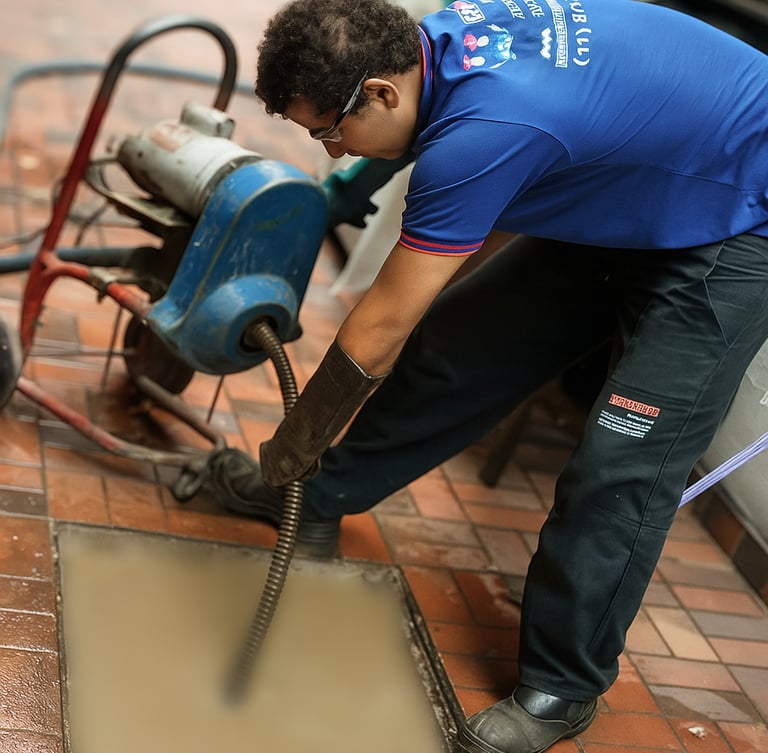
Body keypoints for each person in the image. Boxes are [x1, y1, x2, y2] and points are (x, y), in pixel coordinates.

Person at [210, 1, 768, 751]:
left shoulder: (489, 132)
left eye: (330, 132)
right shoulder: (433, 46)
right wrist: (344, 196)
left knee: (621, 463)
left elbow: (380, 327)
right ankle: (317, 499)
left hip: (743, 216)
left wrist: (291, 441)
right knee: (460, 343)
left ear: (379, 93)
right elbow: (444, 233)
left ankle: (563, 686)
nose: (334, 151)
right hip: (646, 176)